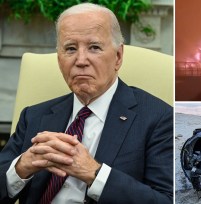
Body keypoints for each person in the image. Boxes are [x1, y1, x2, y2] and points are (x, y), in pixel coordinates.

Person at [0, 3, 173, 204]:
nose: (81, 60)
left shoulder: (158, 118)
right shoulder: (34, 116)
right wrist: (21, 167)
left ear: (118, 57)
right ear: (59, 59)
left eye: (94, 47)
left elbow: (165, 200)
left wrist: (94, 174)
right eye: (71, 49)